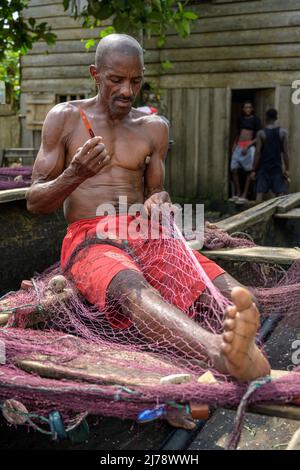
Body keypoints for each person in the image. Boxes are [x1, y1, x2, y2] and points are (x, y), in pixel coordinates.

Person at [26, 34, 270, 382]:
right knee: (133, 290)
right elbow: (36, 203)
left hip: (145, 231)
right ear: (95, 74)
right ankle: (219, 354)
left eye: (136, 81)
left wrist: (160, 201)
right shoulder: (64, 119)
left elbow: (156, 193)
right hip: (91, 238)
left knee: (233, 297)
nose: (127, 91)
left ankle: (231, 357)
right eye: (116, 80)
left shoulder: (153, 127)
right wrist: (75, 174)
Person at [250, 108, 289, 204]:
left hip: (264, 168)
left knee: (259, 195)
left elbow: (258, 153)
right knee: (280, 195)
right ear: (276, 118)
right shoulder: (283, 132)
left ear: (266, 118)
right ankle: (281, 218)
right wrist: (287, 169)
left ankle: (258, 217)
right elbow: (285, 153)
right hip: (277, 168)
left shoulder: (261, 133)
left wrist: (254, 170)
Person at [230, 101, 262, 204]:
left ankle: (244, 194)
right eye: (246, 107)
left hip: (249, 146)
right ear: (243, 109)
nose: (248, 109)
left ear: (252, 109)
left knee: (249, 170)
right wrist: (235, 145)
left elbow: (258, 136)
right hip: (239, 145)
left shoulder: (256, 120)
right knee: (233, 168)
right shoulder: (241, 119)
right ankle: (238, 193)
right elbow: (238, 133)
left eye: (249, 107)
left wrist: (249, 145)